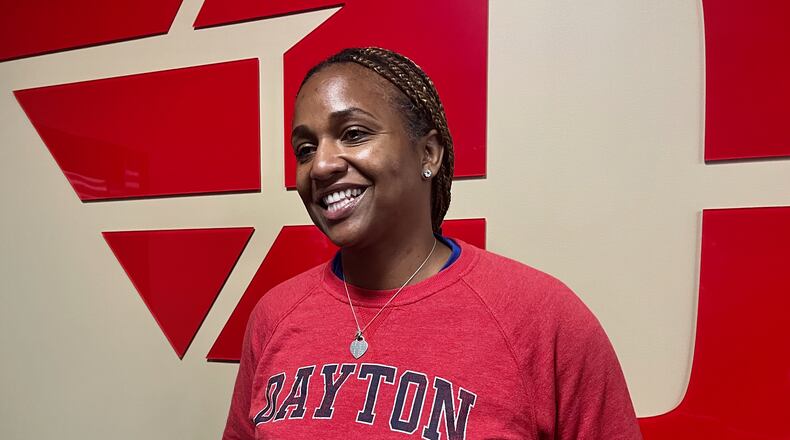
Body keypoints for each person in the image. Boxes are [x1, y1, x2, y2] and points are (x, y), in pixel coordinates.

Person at [223, 47, 642, 439]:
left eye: (353, 133)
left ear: (428, 153)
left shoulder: (544, 319)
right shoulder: (273, 316)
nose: (322, 165)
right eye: (305, 148)